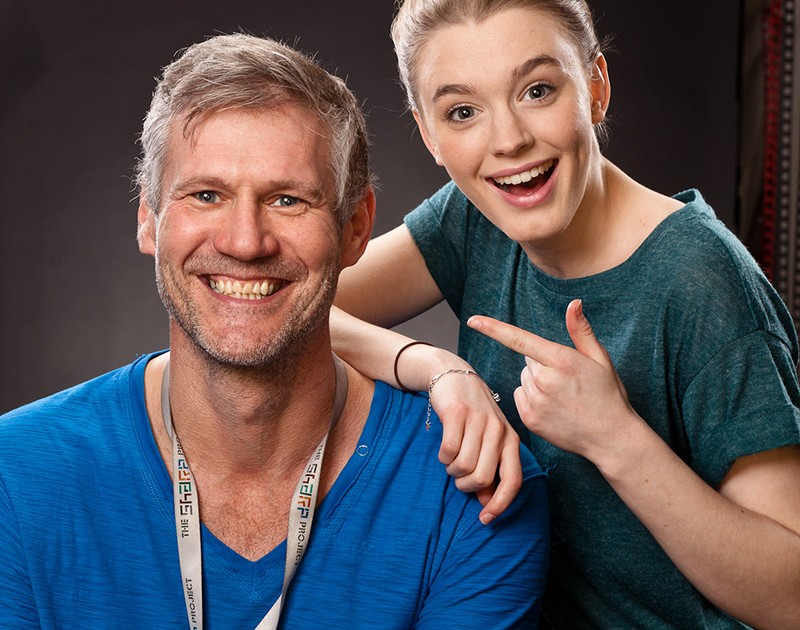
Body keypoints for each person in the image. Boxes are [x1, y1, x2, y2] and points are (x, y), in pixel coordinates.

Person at [0, 33, 551, 629]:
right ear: (149, 220)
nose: (245, 242)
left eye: (288, 200)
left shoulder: (472, 492)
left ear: (356, 229)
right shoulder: (17, 475)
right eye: (206, 195)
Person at [331, 1, 800, 627]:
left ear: (596, 88)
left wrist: (619, 441)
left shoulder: (702, 282)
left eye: (538, 90)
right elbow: (297, 308)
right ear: (428, 134)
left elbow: (788, 600)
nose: (508, 141)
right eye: (463, 112)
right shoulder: (477, 216)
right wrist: (435, 368)